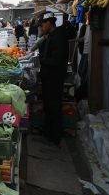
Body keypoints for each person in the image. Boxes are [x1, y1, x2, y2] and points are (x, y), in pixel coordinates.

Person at [38, 12, 69, 146]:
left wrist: (41, 61)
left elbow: (55, 60)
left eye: (42, 24)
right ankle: (48, 132)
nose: (41, 27)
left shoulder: (59, 38)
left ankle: (55, 136)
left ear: (49, 23)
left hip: (54, 78)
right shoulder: (51, 36)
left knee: (54, 106)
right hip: (48, 77)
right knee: (48, 106)